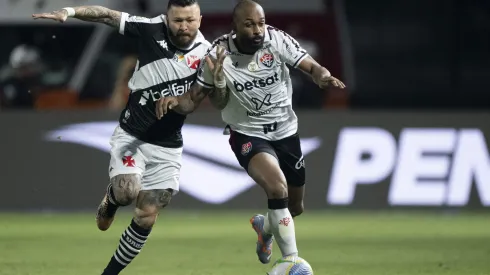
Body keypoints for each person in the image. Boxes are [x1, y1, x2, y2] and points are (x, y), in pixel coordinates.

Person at [155, 0, 346, 265]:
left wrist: (322, 76)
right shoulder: (217, 54)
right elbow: (194, 98)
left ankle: (265, 227)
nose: (258, 30)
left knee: (294, 208)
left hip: (286, 131)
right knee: (277, 188)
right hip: (248, 134)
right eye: (249, 24)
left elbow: (312, 66)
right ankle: (291, 262)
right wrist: (175, 100)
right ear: (235, 27)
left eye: (260, 23)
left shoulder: (276, 39)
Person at [32, 1, 210, 274]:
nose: (184, 26)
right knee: (128, 192)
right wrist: (69, 12)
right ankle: (113, 199)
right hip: (133, 135)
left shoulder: (208, 53)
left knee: (147, 215)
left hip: (168, 145)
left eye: (190, 20)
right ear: (167, 18)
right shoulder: (151, 29)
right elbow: (107, 15)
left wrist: (210, 88)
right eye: (177, 20)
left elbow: (197, 102)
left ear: (199, 18)